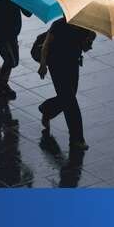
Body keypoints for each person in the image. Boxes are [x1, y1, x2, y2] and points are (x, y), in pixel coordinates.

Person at [37, 17, 96, 150]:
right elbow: (46, 45)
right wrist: (43, 64)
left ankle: (47, 109)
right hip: (56, 65)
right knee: (70, 101)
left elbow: (85, 48)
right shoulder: (58, 25)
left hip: (72, 64)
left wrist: (90, 39)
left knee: (68, 97)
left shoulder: (83, 26)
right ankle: (77, 138)